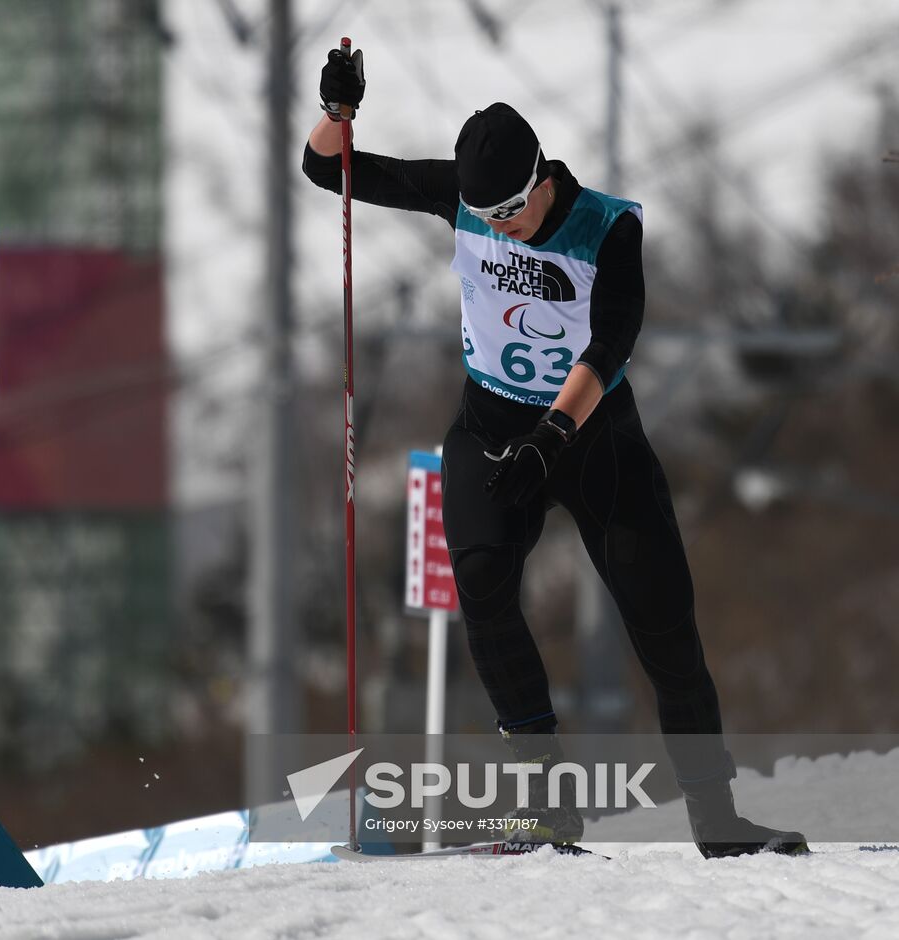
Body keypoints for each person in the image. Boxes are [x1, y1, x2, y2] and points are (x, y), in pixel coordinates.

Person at [302, 47, 806, 858]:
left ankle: (717, 819)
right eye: (484, 216)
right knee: (481, 584)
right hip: (490, 428)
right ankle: (547, 803)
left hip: (592, 437)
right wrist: (336, 112)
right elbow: (329, 171)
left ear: (541, 178)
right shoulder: (467, 201)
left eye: (510, 211)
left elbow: (610, 344)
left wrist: (554, 435)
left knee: (664, 623)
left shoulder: (608, 227)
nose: (500, 227)